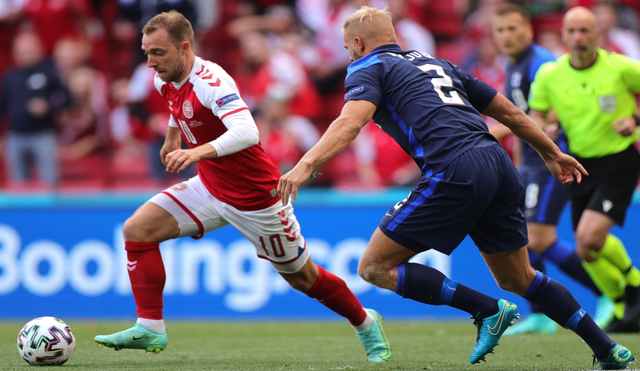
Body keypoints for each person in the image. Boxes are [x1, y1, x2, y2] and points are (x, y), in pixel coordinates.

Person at [278, 6, 635, 369]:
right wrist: (552, 153)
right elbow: (508, 112)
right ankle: (608, 350)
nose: (348, 54)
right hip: (498, 165)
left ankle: (487, 310)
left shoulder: (368, 66)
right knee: (518, 277)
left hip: (454, 169)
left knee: (374, 268)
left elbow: (351, 121)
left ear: (357, 43)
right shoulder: (437, 63)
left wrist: (305, 164)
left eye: (346, 48)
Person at [92, 10, 392, 363]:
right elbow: (176, 104)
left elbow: (248, 131)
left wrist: (195, 152)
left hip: (257, 199)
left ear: (184, 48)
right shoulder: (165, 78)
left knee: (304, 279)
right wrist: (172, 139)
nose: (150, 62)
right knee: (137, 230)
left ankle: (364, 320)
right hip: (210, 186)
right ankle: (150, 327)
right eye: (146, 52)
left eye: (158, 53)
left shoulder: (211, 80)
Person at [491, 3, 615, 335]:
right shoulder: (512, 64)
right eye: (500, 30)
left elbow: (534, 116)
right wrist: (517, 166)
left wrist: (495, 131)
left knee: (540, 239)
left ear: (528, 30)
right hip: (530, 166)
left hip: (554, 161)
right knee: (525, 239)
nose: (506, 36)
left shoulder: (542, 63)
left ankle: (608, 296)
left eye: (512, 29)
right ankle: (541, 315)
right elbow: (518, 115)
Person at [529, 6, 640, 334]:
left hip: (619, 160)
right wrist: (544, 129)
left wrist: (634, 120)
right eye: (572, 32)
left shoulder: (620, 68)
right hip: (580, 163)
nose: (578, 38)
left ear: (596, 35)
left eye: (584, 31)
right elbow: (536, 116)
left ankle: (633, 286)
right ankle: (625, 306)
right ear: (563, 36)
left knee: (589, 236)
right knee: (586, 251)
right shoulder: (551, 75)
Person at [0, 31, 69, 187]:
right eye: (22, 52)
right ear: (15, 53)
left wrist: (48, 106)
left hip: (43, 135)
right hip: (15, 136)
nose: (26, 55)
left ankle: (53, 211)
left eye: (30, 51)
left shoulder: (49, 72)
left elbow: (66, 99)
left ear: (39, 50)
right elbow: (2, 107)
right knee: (18, 183)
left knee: (50, 181)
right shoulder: (10, 76)